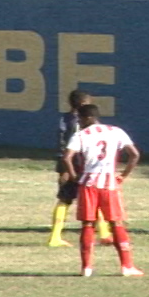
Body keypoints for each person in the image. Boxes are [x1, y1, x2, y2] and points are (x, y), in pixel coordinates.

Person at [62, 104, 143, 277]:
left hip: (88, 183)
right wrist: (124, 175)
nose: (79, 122)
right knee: (116, 223)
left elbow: (67, 157)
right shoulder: (116, 131)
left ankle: (86, 268)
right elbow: (134, 154)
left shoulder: (81, 135)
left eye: (80, 119)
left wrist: (75, 176)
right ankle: (127, 266)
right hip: (109, 183)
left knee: (87, 224)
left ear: (88, 118)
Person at [47, 90, 112, 247]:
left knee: (76, 199)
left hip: (75, 165)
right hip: (79, 166)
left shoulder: (64, 119)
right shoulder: (81, 123)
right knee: (70, 199)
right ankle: (55, 237)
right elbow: (66, 148)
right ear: (83, 104)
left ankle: (104, 233)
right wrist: (65, 169)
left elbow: (61, 145)